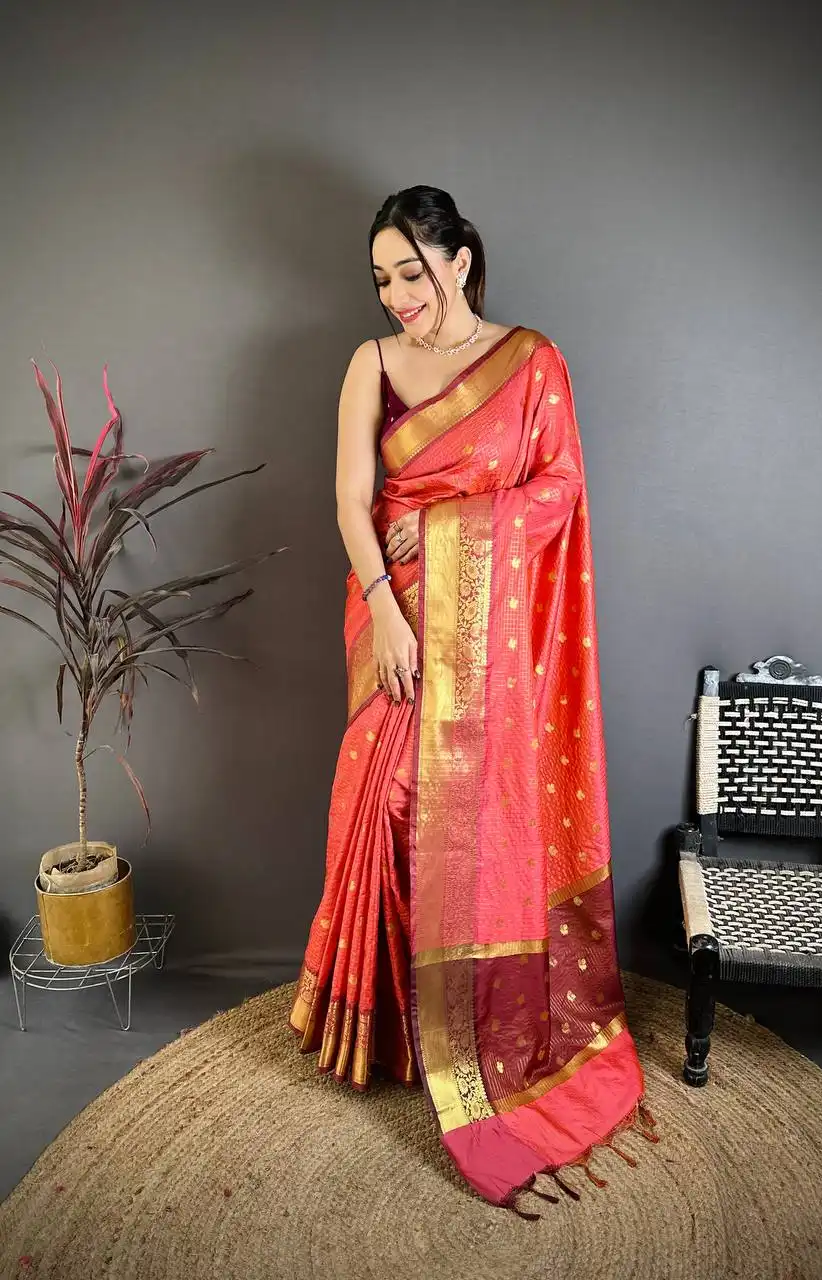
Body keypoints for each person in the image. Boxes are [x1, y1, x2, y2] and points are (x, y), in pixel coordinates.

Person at [289, 186, 657, 1214]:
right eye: (381, 279)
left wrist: (455, 523)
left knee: (463, 820)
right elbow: (349, 499)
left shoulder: (531, 362)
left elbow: (558, 490)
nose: (396, 295)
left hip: (487, 628)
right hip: (392, 611)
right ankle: (383, 1032)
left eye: (411, 272)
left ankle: (461, 1030)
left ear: (457, 260)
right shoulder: (370, 363)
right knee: (380, 801)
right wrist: (386, 608)